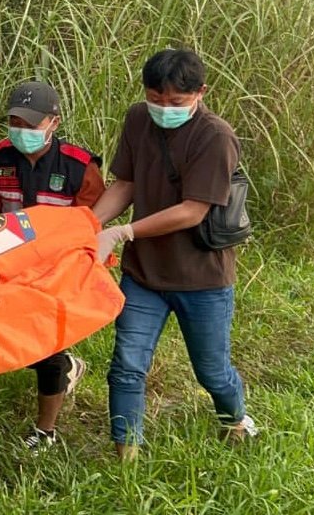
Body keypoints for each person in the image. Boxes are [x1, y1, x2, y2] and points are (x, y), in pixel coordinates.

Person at [91, 49, 258, 460]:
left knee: (212, 372)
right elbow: (125, 183)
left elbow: (193, 210)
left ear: (201, 92)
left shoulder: (215, 137)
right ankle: (126, 458)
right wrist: (89, 228)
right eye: (156, 98)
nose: (164, 108)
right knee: (126, 366)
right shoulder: (136, 119)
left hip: (202, 278)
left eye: (176, 102)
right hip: (144, 275)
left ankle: (235, 420)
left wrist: (123, 232)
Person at [0, 80, 104, 450]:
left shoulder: (79, 168)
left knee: (46, 345)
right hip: (10, 260)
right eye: (15, 122)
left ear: (54, 123)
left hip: (60, 266)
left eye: (31, 125)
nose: (22, 131)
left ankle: (45, 430)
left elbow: (91, 227)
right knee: (4, 338)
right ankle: (68, 370)